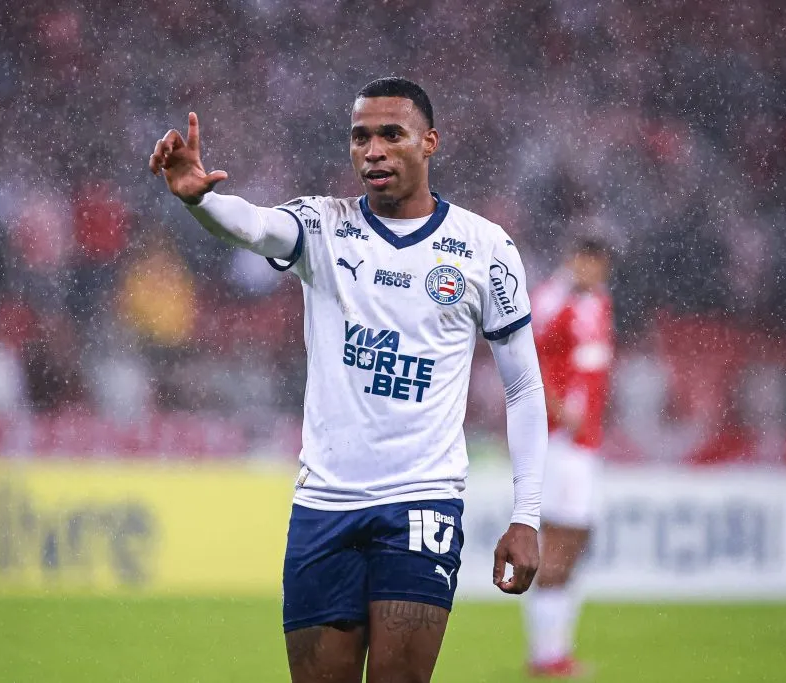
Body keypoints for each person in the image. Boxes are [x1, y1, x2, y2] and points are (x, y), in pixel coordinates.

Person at [150, 77, 548, 683]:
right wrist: (197, 198)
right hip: (324, 506)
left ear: (430, 142)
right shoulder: (322, 226)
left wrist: (527, 515)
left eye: (392, 134)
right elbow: (255, 227)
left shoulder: (484, 249)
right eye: (360, 137)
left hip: (421, 501)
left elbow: (523, 388)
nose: (373, 150)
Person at [523, 237, 614, 678]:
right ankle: (546, 655)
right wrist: (558, 409)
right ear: (574, 260)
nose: (595, 272)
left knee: (575, 539)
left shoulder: (598, 302)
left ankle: (556, 651)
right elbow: (527, 357)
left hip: (585, 442)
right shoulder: (551, 299)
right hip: (560, 441)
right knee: (560, 540)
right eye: (589, 263)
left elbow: (590, 367)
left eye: (601, 266)